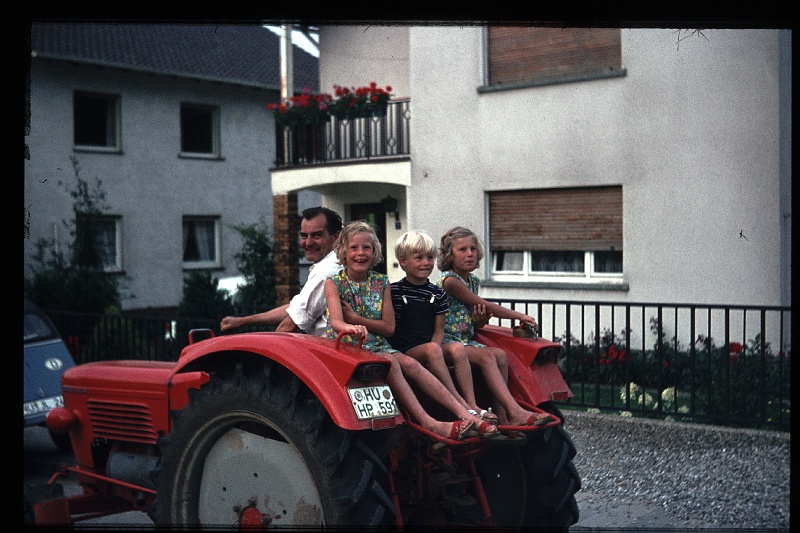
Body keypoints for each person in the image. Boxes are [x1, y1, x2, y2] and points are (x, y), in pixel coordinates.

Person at [325, 221, 499, 440]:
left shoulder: (381, 282)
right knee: (395, 364)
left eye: (366, 248)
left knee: (409, 363)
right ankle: (430, 423)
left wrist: (357, 319)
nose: (361, 253)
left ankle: (466, 414)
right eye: (354, 248)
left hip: (379, 345)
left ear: (374, 251)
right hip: (350, 346)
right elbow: (337, 322)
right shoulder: (334, 283)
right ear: (343, 252)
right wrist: (350, 325)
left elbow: (389, 328)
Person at [437, 226, 553, 427]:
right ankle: (511, 410)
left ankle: (504, 416)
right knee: (489, 356)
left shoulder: (472, 280)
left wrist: (478, 321)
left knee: (500, 354)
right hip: (448, 340)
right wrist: (519, 315)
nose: (470, 254)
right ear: (449, 255)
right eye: (462, 250)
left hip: (465, 339)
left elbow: (473, 315)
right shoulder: (450, 281)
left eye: (473, 249)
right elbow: (486, 305)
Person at [387, 230, 498, 425]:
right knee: (432, 349)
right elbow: (392, 328)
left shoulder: (437, 293)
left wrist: (435, 351)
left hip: (429, 347)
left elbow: (439, 330)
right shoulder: (394, 291)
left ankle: (472, 404)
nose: (426, 263)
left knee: (455, 347)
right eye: (419, 258)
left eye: (430, 258)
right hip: (406, 350)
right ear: (403, 261)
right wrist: (433, 351)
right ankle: (459, 404)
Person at [220, 206, 343, 335]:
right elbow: (295, 309)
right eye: (304, 236)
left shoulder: (326, 271)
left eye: (317, 235)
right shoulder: (332, 264)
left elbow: (289, 326)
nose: (308, 243)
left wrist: (264, 351)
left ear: (336, 237)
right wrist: (242, 321)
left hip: (326, 351)